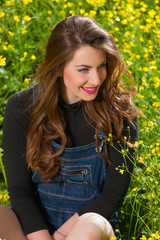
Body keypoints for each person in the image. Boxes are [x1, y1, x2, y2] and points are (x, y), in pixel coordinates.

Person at [1, 15, 139, 240]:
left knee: (90, 224)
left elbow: (112, 196)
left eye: (102, 66)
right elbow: (20, 193)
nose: (96, 79)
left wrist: (62, 236)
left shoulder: (120, 113)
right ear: (57, 68)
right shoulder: (21, 107)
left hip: (90, 228)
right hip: (36, 229)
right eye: (84, 69)